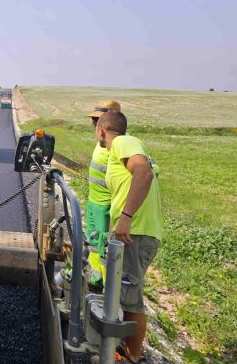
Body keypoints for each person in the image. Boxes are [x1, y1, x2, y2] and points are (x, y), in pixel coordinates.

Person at [95, 111, 163, 364]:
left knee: (131, 297)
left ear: (102, 131)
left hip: (136, 233)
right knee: (123, 294)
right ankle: (123, 348)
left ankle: (133, 355)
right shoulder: (124, 151)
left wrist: (126, 217)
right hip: (131, 232)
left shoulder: (123, 143)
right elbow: (126, 189)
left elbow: (143, 174)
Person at [86, 99, 122, 290]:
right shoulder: (100, 143)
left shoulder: (119, 147)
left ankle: (110, 293)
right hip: (93, 203)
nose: (95, 126)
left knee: (105, 249)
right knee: (92, 244)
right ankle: (94, 279)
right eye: (94, 121)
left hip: (107, 207)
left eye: (98, 121)